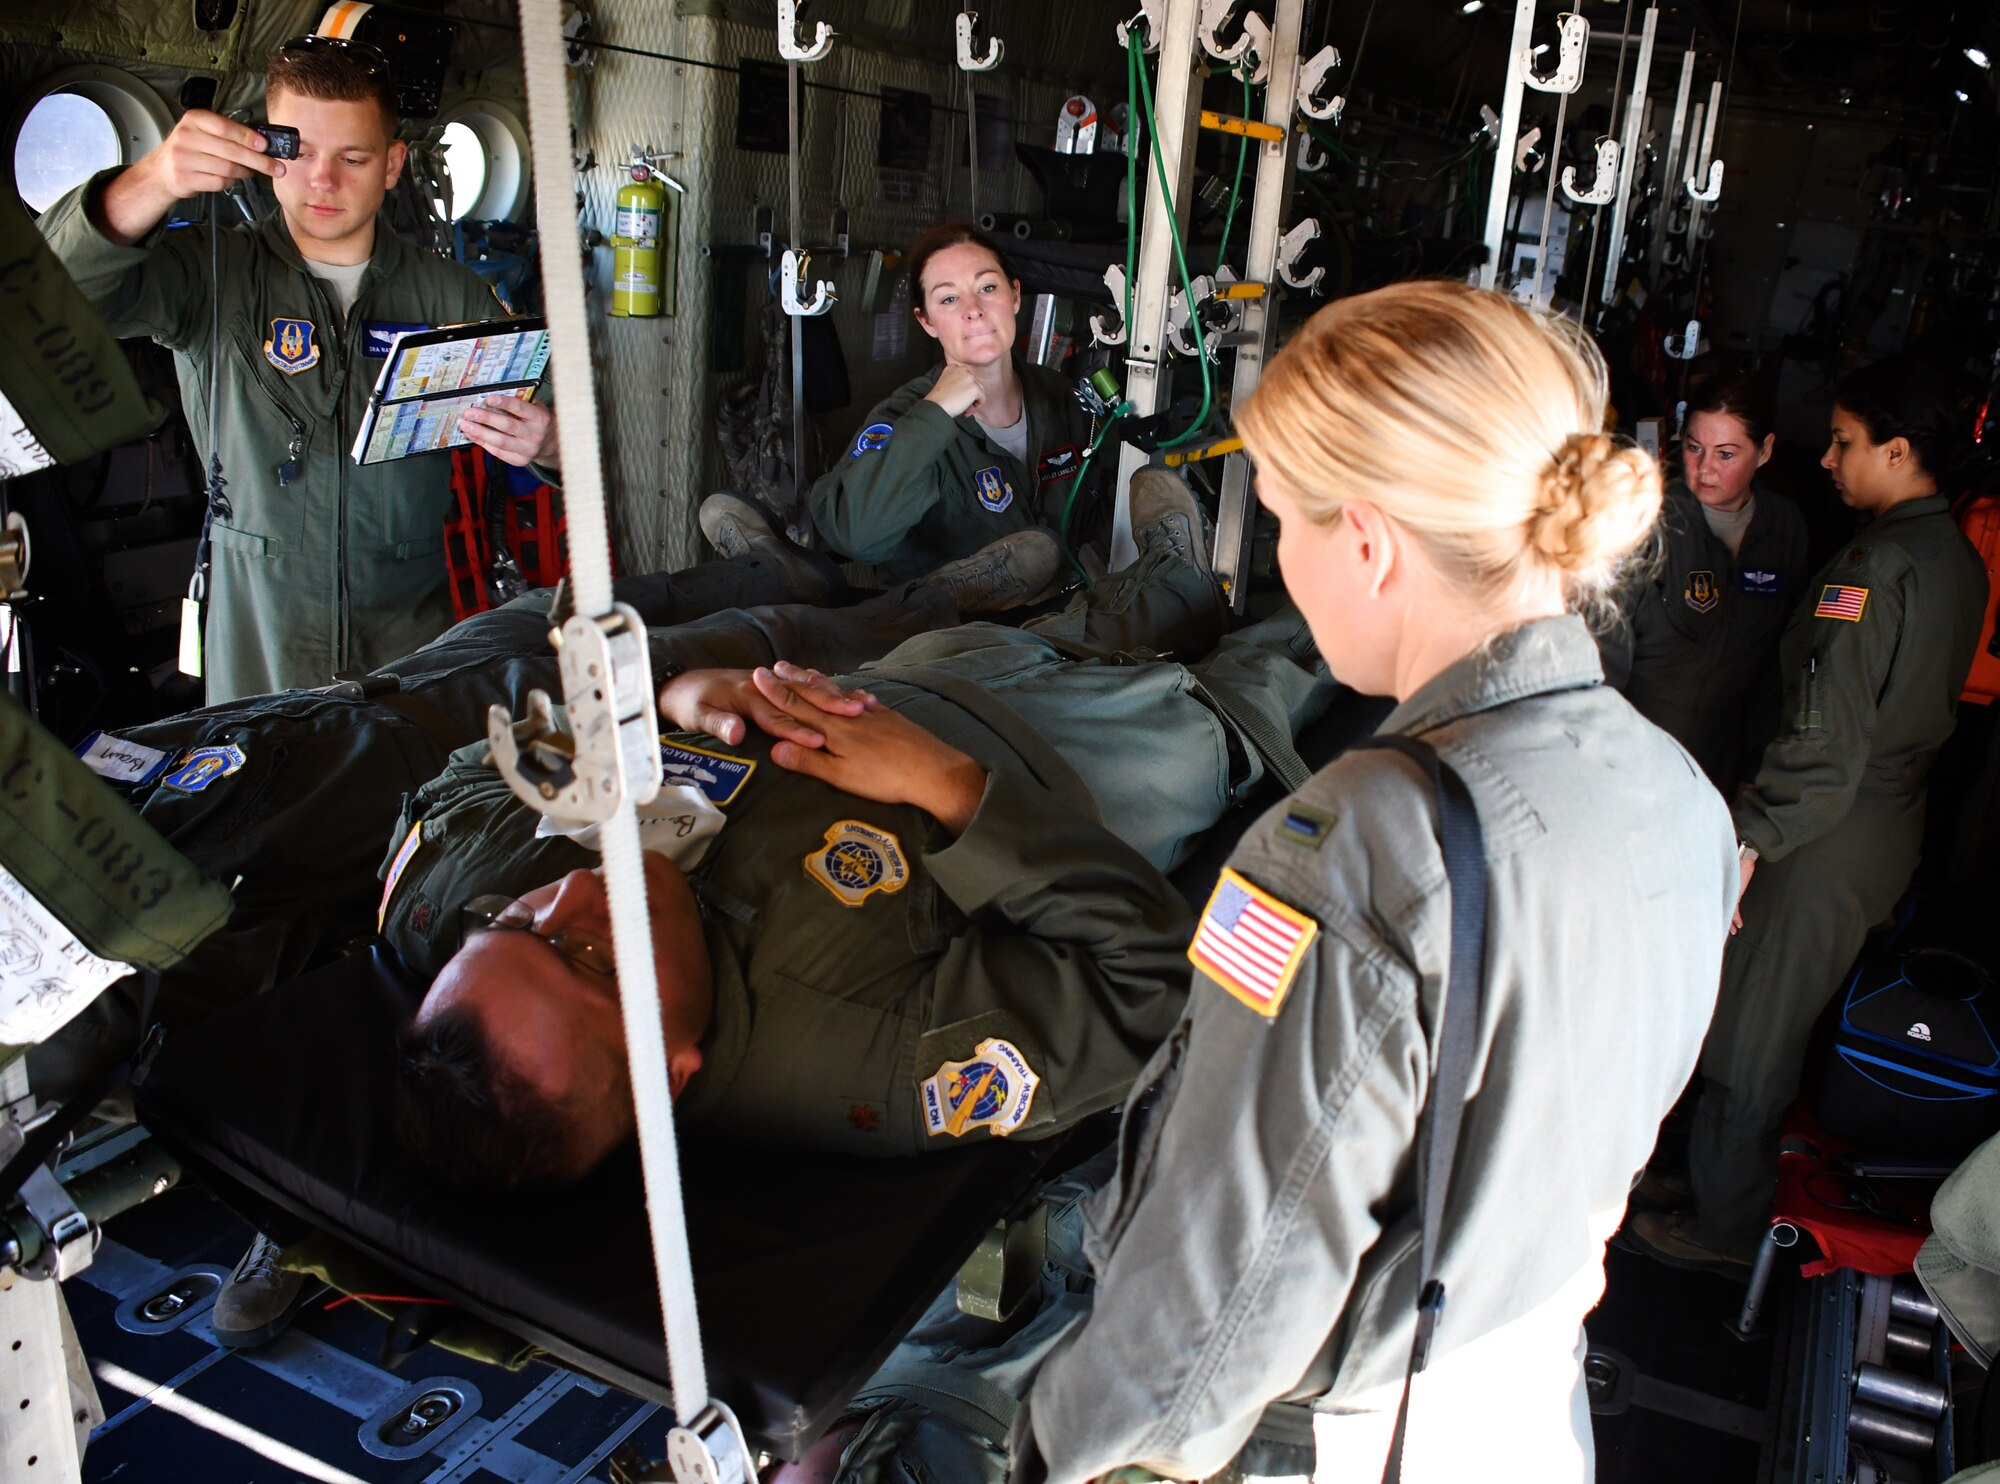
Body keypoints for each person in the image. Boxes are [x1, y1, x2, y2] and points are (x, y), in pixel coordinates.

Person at [993, 281, 1736, 1484]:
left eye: (1285, 519)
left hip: (1340, 1439)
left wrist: (1055, 1445)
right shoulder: (1675, 794)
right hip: (1520, 1411)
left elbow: (1207, 1315)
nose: (1281, 561)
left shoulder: (1350, 848)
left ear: (1370, 540)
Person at [32, 536, 1034, 1350]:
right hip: (473, 799)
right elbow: (316, 1033)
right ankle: (944, 596)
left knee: (687, 618)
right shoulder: (66, 1003)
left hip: (394, 700)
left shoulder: (34, 798)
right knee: (781, 665)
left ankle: (824, 562)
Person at [385, 484, 1333, 1186]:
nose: (581, 896)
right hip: (1085, 765)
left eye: (521, 923)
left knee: (1091, 619)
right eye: (596, 960)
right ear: (671, 1077)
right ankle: (1341, 590)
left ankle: (1179, 576)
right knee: (1269, 677)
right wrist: (948, 785)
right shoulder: (870, 1056)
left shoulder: (444, 907)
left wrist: (673, 698)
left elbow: (466, 781)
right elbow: (1154, 994)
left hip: (921, 675)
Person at [38, 34, 558, 703]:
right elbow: (50, 296)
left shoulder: (450, 296)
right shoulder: (212, 275)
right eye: (300, 151)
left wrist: (548, 442)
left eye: (354, 157)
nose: (323, 180)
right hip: (261, 630)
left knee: (408, 794)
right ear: (266, 153)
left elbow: (560, 422)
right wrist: (156, 178)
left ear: (394, 165)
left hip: (410, 638)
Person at [1629, 357, 1990, 1271]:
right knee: (1758, 1015)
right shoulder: (1952, 556)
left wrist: (1750, 842)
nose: (1831, 461)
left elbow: (1823, 746)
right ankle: (1712, 1179)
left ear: (1898, 452)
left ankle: (1722, 1225)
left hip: (1821, 835)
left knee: (1754, 1035)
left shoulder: (1874, 569)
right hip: (1881, 826)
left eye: (1846, 442)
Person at [782, 222, 1100, 586]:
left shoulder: (1059, 395)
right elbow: (857, 537)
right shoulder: (904, 417)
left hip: (1065, 622)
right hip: (954, 632)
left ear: (1014, 295)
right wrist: (935, 414)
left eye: (987, 287)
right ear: (927, 320)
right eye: (949, 298)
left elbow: (1106, 507)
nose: (974, 309)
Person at [1603, 368, 1809, 793]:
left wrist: (1754, 776)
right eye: (1695, 447)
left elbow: (1777, 668)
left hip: (1716, 767)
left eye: (1726, 454)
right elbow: (1603, 649)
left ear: (1765, 450)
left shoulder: (1784, 530)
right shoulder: (1648, 519)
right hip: (1628, 754)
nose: (1704, 469)